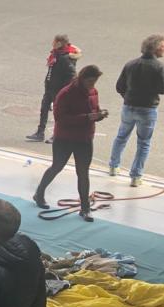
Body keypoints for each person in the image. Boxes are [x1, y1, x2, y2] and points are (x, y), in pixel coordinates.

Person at [33, 65, 108, 222]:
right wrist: (87, 117)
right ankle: (39, 193)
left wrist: (99, 114)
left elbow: (93, 110)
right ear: (82, 78)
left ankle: (85, 208)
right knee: (57, 167)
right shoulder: (66, 93)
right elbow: (61, 118)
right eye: (90, 81)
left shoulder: (94, 91)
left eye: (95, 81)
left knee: (83, 172)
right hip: (64, 138)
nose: (92, 84)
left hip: (84, 138)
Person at [109, 33, 164, 187]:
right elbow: (163, 89)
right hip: (148, 109)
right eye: (162, 46)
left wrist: (128, 97)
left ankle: (114, 166)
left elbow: (119, 87)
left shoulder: (130, 64)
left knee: (121, 136)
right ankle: (136, 177)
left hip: (128, 107)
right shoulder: (159, 67)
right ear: (155, 49)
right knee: (144, 142)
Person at [26, 34, 81, 142]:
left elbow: (71, 76)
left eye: (54, 42)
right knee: (44, 110)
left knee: (58, 114)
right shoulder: (55, 55)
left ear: (59, 43)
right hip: (50, 88)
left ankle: (57, 135)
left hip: (58, 90)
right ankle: (40, 133)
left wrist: (64, 91)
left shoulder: (65, 58)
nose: (52, 44)